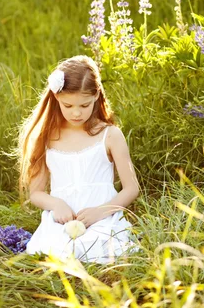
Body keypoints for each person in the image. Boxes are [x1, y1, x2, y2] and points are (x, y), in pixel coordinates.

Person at [18, 55, 141, 264]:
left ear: (96, 97)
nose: (76, 113)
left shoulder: (110, 135)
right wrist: (56, 204)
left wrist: (100, 212)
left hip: (102, 219)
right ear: (56, 99)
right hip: (61, 221)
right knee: (51, 252)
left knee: (99, 249)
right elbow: (36, 193)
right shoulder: (46, 138)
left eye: (84, 105)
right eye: (68, 105)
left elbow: (131, 188)